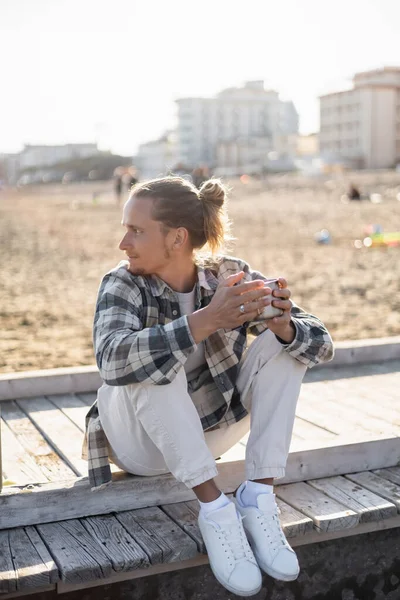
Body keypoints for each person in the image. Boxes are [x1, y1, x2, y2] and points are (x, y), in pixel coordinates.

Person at [83, 176, 334, 596]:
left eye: (136, 230)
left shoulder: (228, 276)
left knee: (282, 346)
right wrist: (205, 320)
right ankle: (217, 511)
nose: (123, 243)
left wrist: (286, 326)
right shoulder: (122, 282)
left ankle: (257, 497)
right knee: (153, 363)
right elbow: (110, 359)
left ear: (177, 238)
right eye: (125, 229)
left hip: (213, 429)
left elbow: (322, 346)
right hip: (142, 447)